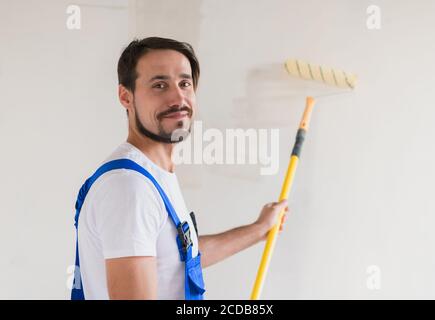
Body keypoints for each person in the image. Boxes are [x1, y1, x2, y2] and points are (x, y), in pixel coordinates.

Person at [71, 37, 288, 300]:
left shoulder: (151, 175)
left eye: (185, 83)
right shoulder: (130, 187)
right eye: (160, 85)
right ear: (125, 97)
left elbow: (176, 259)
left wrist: (259, 229)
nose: (178, 97)